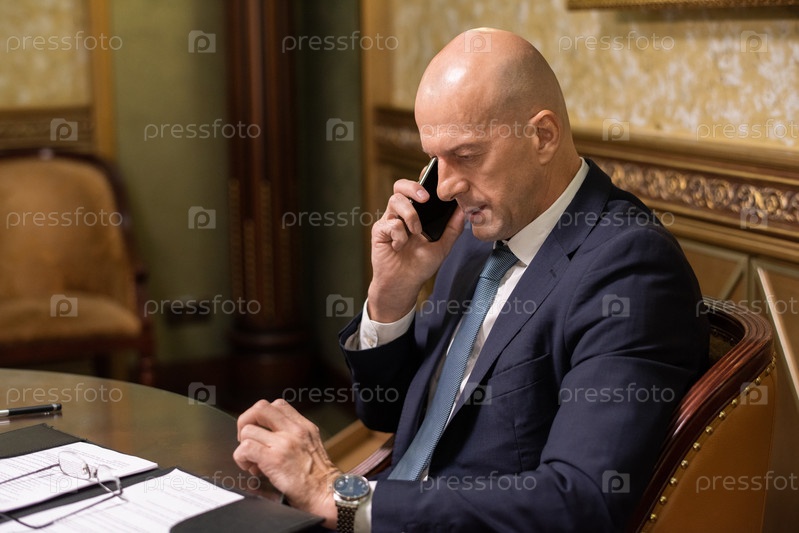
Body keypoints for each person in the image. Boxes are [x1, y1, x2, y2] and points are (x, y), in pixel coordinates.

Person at [234, 27, 708, 532]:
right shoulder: (477, 236)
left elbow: (580, 503)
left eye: (466, 155)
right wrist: (391, 294)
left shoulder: (630, 270)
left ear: (543, 136)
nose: (445, 187)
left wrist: (341, 500)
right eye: (435, 159)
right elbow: (386, 414)